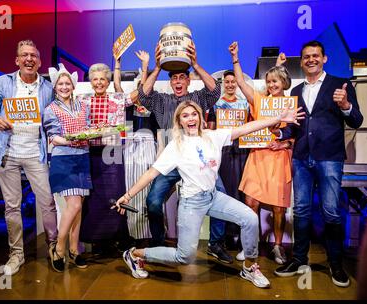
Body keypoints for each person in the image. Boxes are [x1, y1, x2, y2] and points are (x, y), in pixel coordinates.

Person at [113, 100, 304, 288]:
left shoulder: (213, 136)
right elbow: (151, 173)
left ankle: (249, 267)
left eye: (193, 114)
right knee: (184, 257)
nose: (190, 118)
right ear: (180, 121)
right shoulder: (176, 146)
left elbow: (247, 128)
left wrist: (276, 118)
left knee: (250, 219)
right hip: (191, 203)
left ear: (200, 117)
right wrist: (127, 196)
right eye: (185, 116)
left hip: (213, 197)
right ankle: (135, 254)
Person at [273, 40, 363, 287]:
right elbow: (294, 125)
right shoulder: (295, 91)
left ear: (324, 58)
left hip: (330, 158)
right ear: (301, 62)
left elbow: (356, 120)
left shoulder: (340, 85)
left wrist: (345, 105)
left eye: (315, 55)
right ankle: (299, 260)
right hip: (301, 157)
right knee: (301, 210)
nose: (310, 59)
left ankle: (336, 265)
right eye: (306, 57)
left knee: (331, 211)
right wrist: (279, 133)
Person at [138, 42, 231, 263]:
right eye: (174, 78)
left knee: (221, 193)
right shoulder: (161, 100)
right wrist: (158, 67)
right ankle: (159, 244)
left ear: (188, 80)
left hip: (198, 161)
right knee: (152, 201)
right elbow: (143, 96)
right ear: (170, 82)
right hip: (171, 162)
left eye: (182, 77)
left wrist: (196, 64)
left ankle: (215, 244)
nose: (178, 81)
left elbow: (215, 90)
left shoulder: (198, 98)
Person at [0, 40, 58, 275]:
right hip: (6, 152)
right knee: (12, 206)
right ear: (17, 60)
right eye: (24, 55)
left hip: (36, 152)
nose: (29, 59)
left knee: (48, 203)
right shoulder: (4, 82)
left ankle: (54, 247)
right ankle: (16, 254)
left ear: (40, 61)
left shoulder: (47, 87)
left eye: (33, 55)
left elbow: (53, 116)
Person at [228, 42, 294, 265]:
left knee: (278, 208)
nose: (271, 84)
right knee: (251, 203)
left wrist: (283, 145)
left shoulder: (291, 104)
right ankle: (250, 246)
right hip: (257, 157)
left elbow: (296, 134)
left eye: (275, 81)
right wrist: (235, 58)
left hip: (278, 160)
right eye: (268, 81)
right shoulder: (259, 101)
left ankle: (277, 247)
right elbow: (240, 82)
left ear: (284, 82)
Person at [78, 62, 137, 247]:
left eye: (102, 79)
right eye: (95, 79)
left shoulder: (118, 99)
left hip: (112, 153)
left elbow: (140, 94)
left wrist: (148, 67)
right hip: (90, 153)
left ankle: (118, 238)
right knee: (94, 198)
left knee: (115, 194)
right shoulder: (82, 100)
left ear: (108, 81)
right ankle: (95, 240)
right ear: (90, 82)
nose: (98, 82)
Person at [43, 64, 92, 272]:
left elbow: (88, 127)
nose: (64, 87)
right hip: (64, 160)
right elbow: (52, 136)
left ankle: (74, 249)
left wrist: (88, 134)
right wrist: (72, 139)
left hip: (82, 157)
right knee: (74, 206)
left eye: (67, 83)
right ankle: (60, 248)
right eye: (60, 84)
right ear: (55, 87)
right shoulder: (50, 109)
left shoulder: (82, 105)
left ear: (73, 86)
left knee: (78, 208)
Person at [114, 51, 161, 247]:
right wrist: (117, 62)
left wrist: (146, 66)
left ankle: (149, 236)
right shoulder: (128, 104)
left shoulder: (155, 103)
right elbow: (117, 87)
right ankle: (133, 234)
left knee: (147, 190)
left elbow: (159, 133)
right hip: (130, 146)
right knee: (131, 189)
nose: (141, 90)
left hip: (149, 145)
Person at [207, 70, 251, 262]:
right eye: (228, 81)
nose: (231, 84)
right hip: (222, 151)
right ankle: (222, 238)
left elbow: (251, 126)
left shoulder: (245, 104)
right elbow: (210, 127)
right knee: (224, 193)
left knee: (239, 192)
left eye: (234, 81)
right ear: (223, 83)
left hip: (241, 150)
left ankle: (239, 237)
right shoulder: (216, 104)